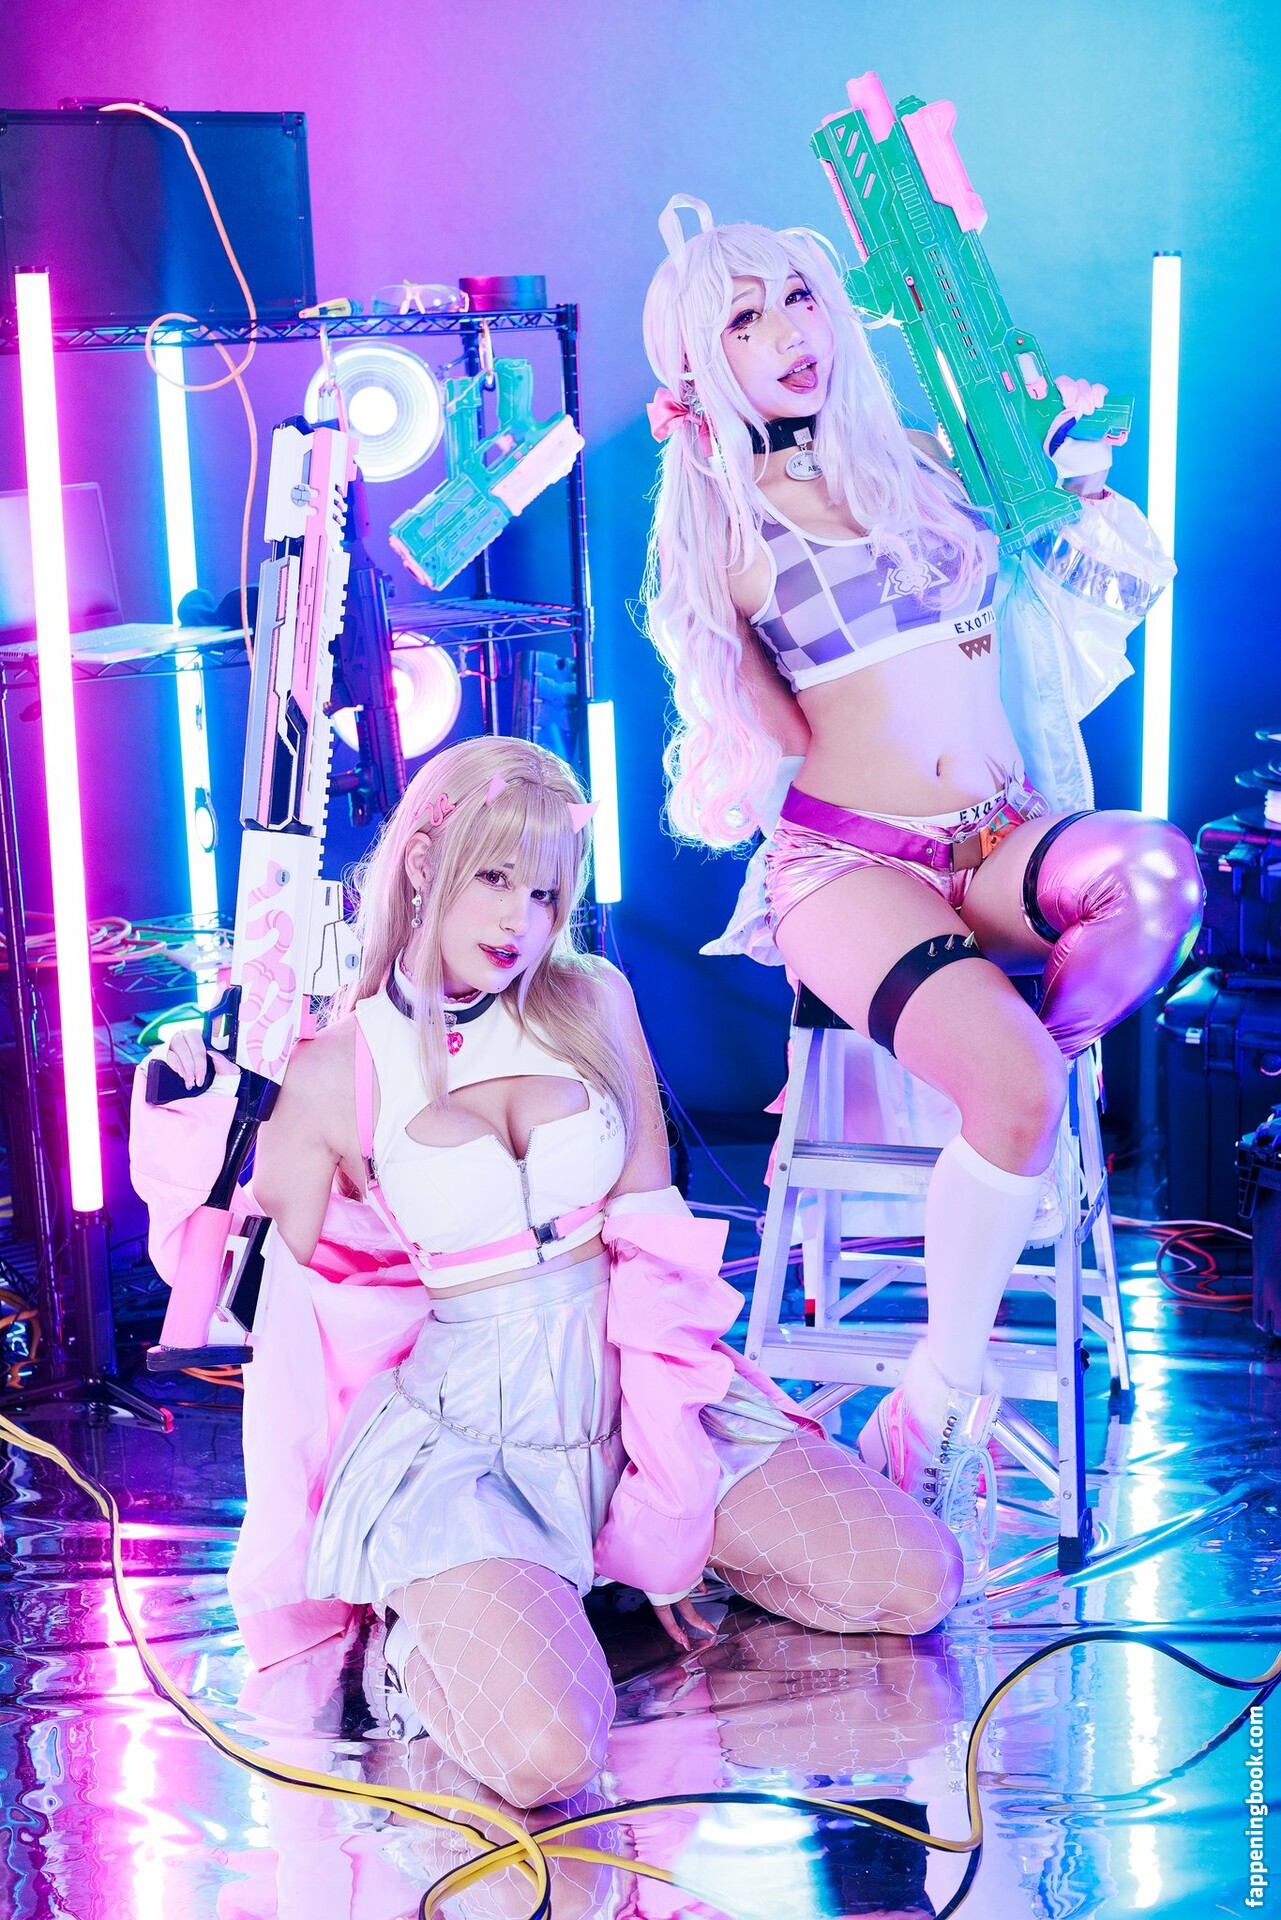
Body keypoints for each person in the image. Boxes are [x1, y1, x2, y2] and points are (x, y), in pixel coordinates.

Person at [137, 735, 963, 1811]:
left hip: (634, 1385)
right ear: (424, 861)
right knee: (549, 1758)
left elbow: (654, 1235)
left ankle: (627, 1565)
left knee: (915, 1581)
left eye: (542, 891)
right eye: (493, 877)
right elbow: (242, 1290)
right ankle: (419, 1636)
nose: (519, 919)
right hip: (469, 1442)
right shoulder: (339, 1068)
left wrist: (669, 1491)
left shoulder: (593, 998)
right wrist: (197, 1130)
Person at [640, 199, 1203, 1597]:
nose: (787, 332)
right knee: (1011, 1087)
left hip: (997, 833)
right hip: (849, 863)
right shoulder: (721, 531)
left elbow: (1063, 579)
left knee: (1157, 876)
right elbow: (766, 740)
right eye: (743, 318)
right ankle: (936, 1403)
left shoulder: (926, 461)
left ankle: (1020, 1111)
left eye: (799, 298)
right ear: (700, 362)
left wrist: (1063, 477)